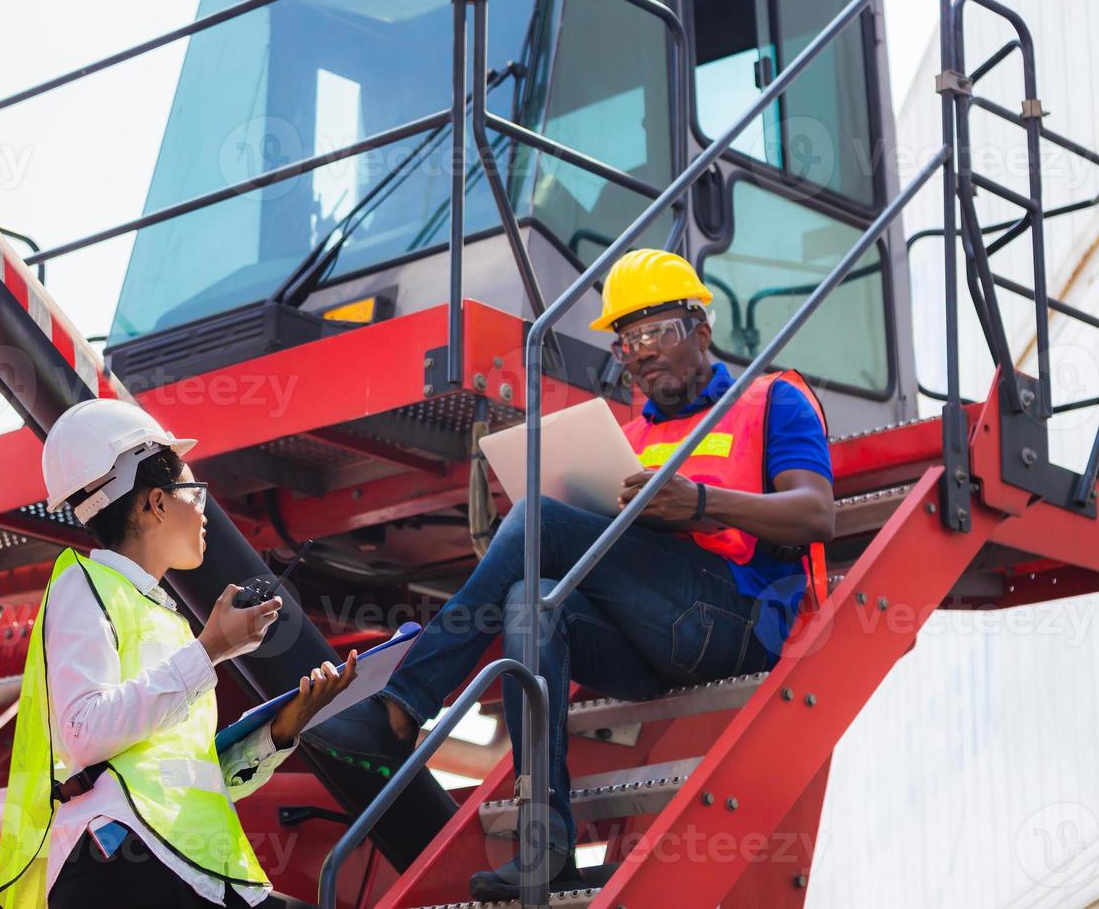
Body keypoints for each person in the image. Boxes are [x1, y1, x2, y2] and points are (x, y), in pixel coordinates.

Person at [304, 248, 835, 901]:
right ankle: (545, 843)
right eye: (625, 341)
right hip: (654, 637)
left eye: (653, 332)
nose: (638, 353)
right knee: (532, 600)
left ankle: (403, 706)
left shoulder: (770, 397)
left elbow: (816, 515)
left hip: (736, 618)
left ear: (701, 328)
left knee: (538, 523)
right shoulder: (631, 434)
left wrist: (698, 503)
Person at [0, 399, 357, 909]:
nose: (204, 508)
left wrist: (282, 730)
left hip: (174, 862)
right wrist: (210, 650)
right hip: (124, 861)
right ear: (157, 503)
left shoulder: (163, 616)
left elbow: (177, 776)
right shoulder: (86, 584)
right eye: (196, 490)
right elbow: (85, 732)